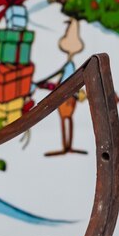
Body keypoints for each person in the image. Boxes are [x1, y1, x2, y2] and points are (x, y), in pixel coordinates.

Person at [44, 18, 87, 157]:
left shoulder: (70, 67)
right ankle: (66, 145)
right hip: (66, 94)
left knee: (66, 118)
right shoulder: (70, 66)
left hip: (68, 95)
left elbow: (61, 75)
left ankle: (68, 145)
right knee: (66, 119)